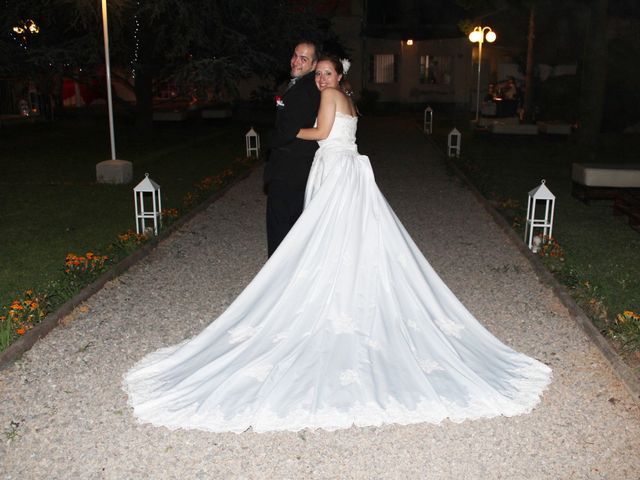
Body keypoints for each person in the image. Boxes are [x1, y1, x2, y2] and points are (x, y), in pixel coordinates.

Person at [123, 55, 551, 434]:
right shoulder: (351, 100)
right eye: (320, 74)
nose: (322, 79)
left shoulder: (330, 99)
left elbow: (322, 132)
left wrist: (290, 131)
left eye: (327, 72)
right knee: (351, 235)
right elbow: (343, 133)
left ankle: (330, 296)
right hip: (350, 170)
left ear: (337, 75)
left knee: (324, 234)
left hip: (335, 170)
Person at [263, 40, 321, 257]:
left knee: (280, 227)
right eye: (295, 55)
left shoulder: (304, 90)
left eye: (304, 58)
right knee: (291, 225)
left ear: (314, 64)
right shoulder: (303, 85)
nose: (296, 61)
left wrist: (269, 141)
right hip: (295, 166)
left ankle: (276, 279)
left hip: (289, 168)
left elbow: (289, 129)